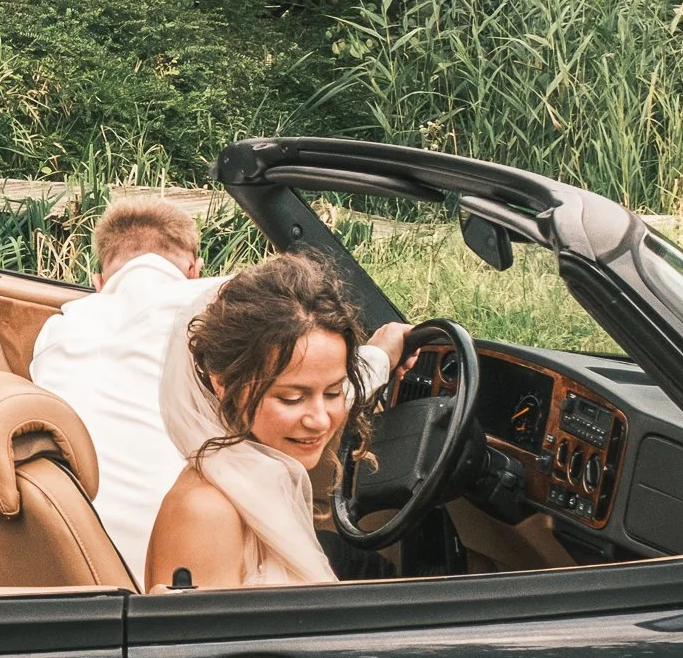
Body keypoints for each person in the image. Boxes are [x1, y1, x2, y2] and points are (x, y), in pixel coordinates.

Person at [144, 254, 405, 591]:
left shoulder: (250, 467)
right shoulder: (205, 513)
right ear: (223, 384)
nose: (320, 420)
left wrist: (383, 352)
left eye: (333, 392)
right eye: (291, 398)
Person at [27, 200, 210, 583]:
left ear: (98, 284)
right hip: (192, 559)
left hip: (77, 559)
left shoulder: (58, 330)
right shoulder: (217, 305)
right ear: (194, 271)